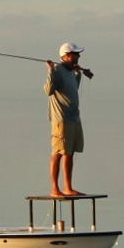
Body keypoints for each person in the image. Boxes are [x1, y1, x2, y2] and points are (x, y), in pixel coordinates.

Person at [45, 42, 94, 197]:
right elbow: (48, 90)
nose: (78, 57)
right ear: (66, 56)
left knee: (70, 153)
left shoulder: (71, 72)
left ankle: (68, 187)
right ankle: (55, 189)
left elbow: (73, 88)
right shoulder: (58, 70)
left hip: (74, 118)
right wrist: (51, 71)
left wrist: (79, 73)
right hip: (61, 120)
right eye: (75, 54)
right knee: (58, 153)